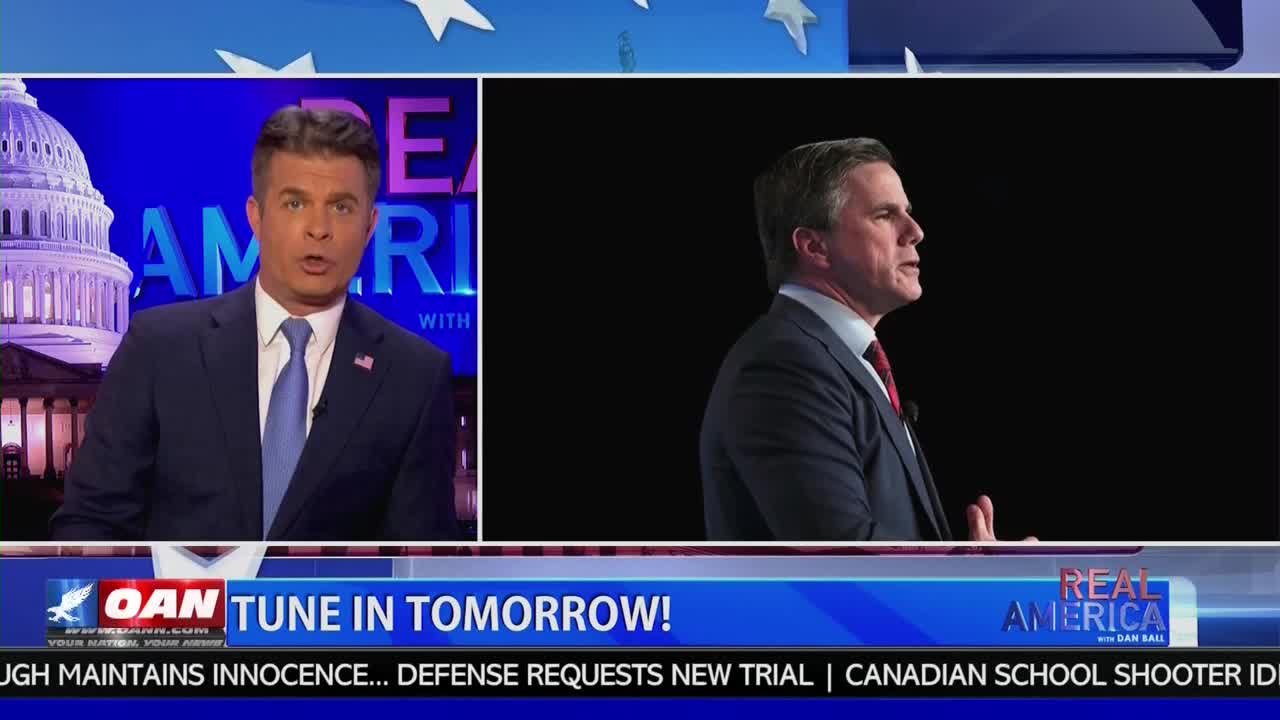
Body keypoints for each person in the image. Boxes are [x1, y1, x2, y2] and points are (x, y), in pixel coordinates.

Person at [50, 107, 460, 541]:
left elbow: (420, 566)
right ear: (256, 217)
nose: (318, 229)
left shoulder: (414, 376)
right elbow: (89, 531)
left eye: (341, 207)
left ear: (370, 225)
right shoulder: (158, 349)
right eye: (295, 203)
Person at [700, 138, 1031, 542]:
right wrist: (978, 588)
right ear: (814, 246)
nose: (915, 232)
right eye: (884, 215)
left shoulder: (842, 358)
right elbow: (849, 570)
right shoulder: (783, 366)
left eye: (907, 212)